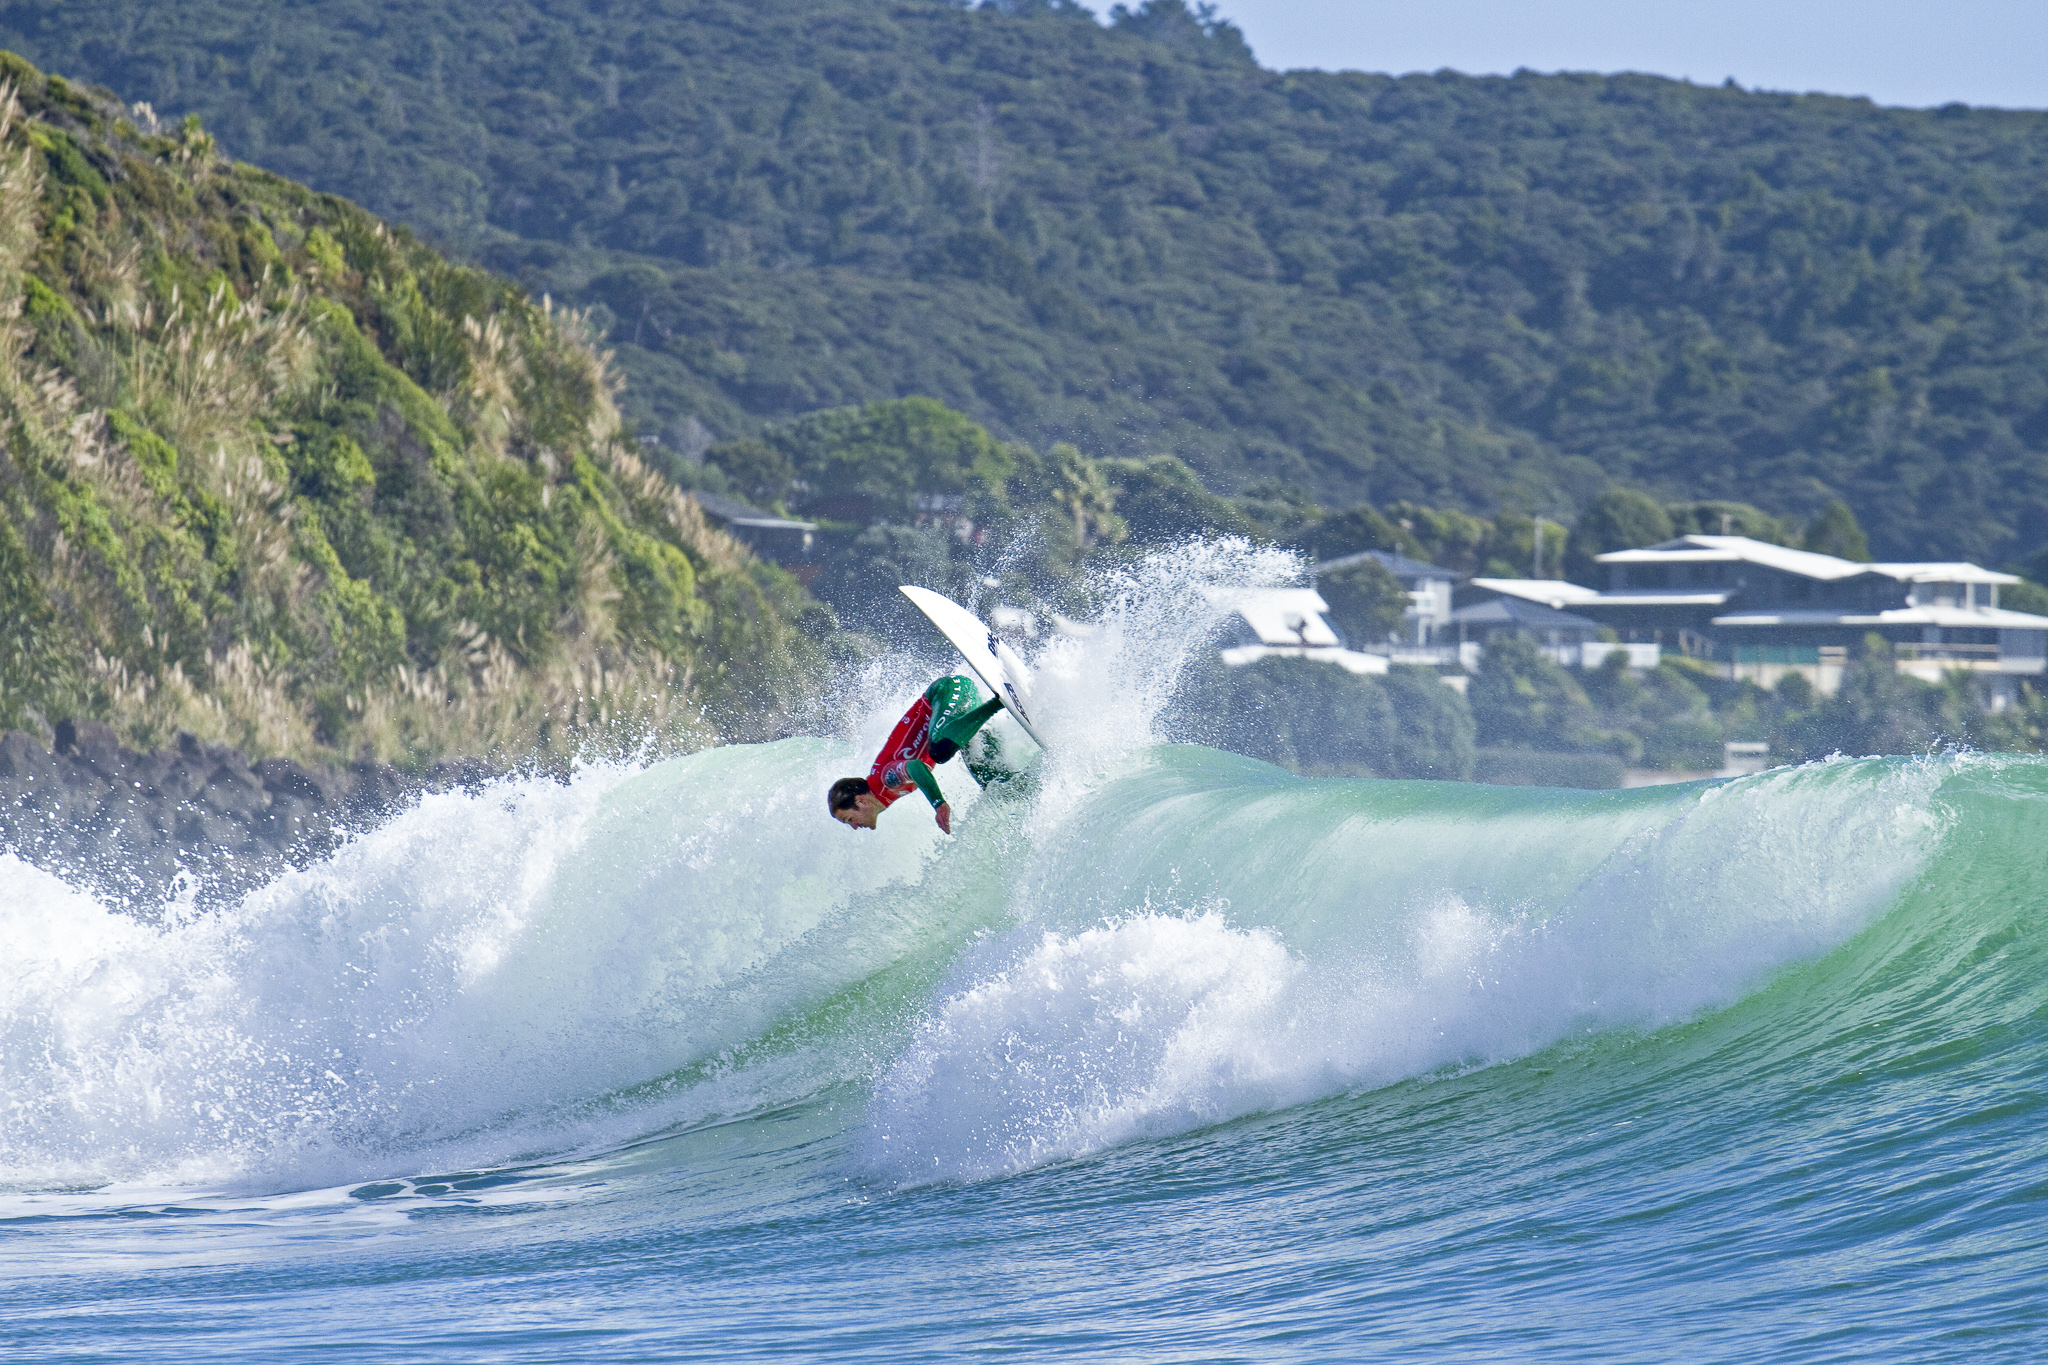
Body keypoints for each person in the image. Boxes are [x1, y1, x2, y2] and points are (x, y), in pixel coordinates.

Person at [828, 675, 1004, 834]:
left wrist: (938, 803)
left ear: (860, 801)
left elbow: (915, 767)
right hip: (957, 713)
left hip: (946, 692)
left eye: (849, 819)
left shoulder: (885, 780)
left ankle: (999, 702)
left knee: (940, 751)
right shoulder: (885, 792)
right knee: (996, 785)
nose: (854, 826)